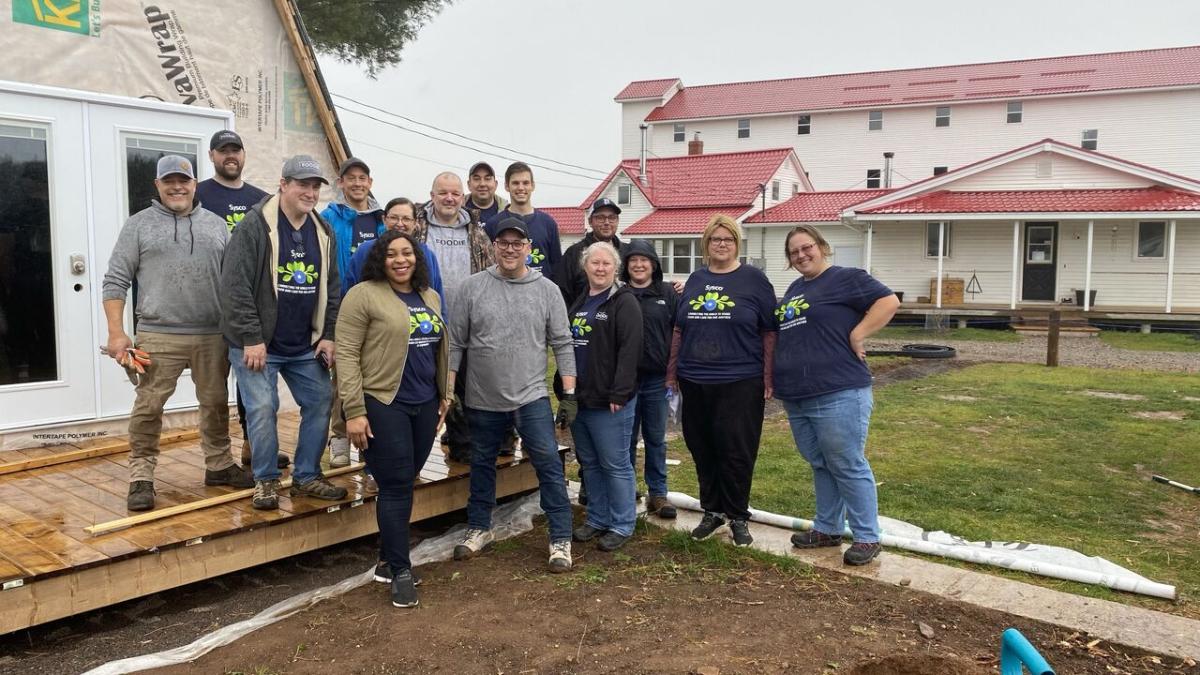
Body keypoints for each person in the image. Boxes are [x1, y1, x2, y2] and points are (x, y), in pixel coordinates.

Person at [102, 155, 253, 511]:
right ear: (157, 185)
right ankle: (141, 476)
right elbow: (115, 279)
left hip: (212, 334)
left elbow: (235, 281)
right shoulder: (138, 226)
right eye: (169, 181)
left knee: (216, 403)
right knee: (150, 405)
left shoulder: (217, 226)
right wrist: (116, 333)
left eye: (183, 180)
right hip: (157, 333)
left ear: (194, 184)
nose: (177, 187)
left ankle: (218, 465)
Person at [448, 217, 576, 572]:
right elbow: (456, 343)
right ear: (492, 246)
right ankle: (479, 528)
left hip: (530, 395)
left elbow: (563, 343)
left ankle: (560, 538)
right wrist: (447, 390)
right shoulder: (470, 288)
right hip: (481, 397)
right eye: (502, 242)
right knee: (481, 463)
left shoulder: (546, 290)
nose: (509, 249)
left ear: (528, 248)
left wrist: (569, 393)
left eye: (517, 243)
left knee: (548, 463)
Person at [220, 154, 347, 510]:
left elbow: (332, 287)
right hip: (259, 342)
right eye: (302, 184)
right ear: (283, 184)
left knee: (321, 400)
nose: (309, 192)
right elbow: (235, 287)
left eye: (314, 186)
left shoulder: (323, 231)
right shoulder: (255, 226)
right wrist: (251, 337)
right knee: (262, 407)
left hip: (303, 343)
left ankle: (306, 476)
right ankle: (265, 481)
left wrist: (329, 334)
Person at [336, 229, 451, 607]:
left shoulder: (429, 296)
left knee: (406, 479)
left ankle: (387, 560)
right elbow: (348, 355)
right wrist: (354, 411)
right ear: (379, 260)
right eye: (392, 254)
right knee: (397, 483)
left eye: (407, 253)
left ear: (417, 259)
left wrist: (444, 395)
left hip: (424, 402)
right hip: (384, 402)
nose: (400, 260)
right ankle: (401, 571)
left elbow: (439, 348)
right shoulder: (362, 295)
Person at [774, 226, 899, 566]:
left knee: (846, 462)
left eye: (806, 247)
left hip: (838, 390)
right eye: (794, 252)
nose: (801, 255)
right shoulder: (796, 288)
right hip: (797, 395)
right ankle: (828, 527)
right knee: (821, 462)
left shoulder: (846, 278)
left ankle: (867, 536)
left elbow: (889, 301)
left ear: (822, 247)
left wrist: (859, 333)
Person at [666, 215, 777, 547]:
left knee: (737, 450)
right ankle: (713, 511)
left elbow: (769, 332)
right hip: (695, 379)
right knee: (703, 448)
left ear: (737, 243)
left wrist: (768, 375)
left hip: (740, 379)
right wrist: (672, 373)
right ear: (706, 244)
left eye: (728, 239)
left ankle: (738, 516)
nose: (722, 244)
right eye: (715, 239)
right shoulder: (696, 279)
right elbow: (679, 330)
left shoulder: (755, 280)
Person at [194, 130, 286, 470]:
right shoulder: (197, 194)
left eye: (236, 150)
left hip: (250, 308)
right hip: (209, 308)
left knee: (254, 383)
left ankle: (254, 445)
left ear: (244, 155)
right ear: (212, 155)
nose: (230, 156)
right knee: (214, 390)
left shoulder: (262, 200)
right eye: (223, 151)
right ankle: (219, 459)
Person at [563, 242, 643, 552]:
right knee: (590, 463)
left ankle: (622, 523)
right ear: (585, 267)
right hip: (582, 397)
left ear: (615, 268)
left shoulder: (624, 302)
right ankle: (597, 518)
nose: (600, 268)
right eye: (594, 263)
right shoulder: (581, 300)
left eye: (606, 264)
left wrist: (620, 391)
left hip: (610, 399)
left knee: (615, 463)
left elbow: (630, 349)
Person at [412, 172, 493, 463]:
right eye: (443, 192)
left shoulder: (476, 231)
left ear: (463, 197)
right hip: (423, 321)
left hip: (468, 322)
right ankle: (416, 451)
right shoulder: (416, 229)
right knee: (427, 384)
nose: (449, 198)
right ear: (432, 195)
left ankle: (463, 448)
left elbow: (490, 272)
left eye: (455, 194)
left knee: (465, 387)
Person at [320, 157, 385, 469]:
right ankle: (339, 438)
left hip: (379, 308)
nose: (357, 183)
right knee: (342, 375)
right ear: (341, 183)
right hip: (344, 305)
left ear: (370, 183)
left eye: (363, 177)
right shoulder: (329, 217)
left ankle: (370, 441)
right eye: (351, 178)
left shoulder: (381, 220)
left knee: (372, 374)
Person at [619, 239, 678, 519]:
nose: (639, 265)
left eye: (645, 260)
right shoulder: (618, 293)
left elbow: (679, 333)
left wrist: (673, 374)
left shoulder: (667, 293)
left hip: (656, 380)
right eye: (633, 260)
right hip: (626, 381)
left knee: (655, 437)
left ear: (654, 264)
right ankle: (627, 490)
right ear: (626, 265)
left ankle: (658, 493)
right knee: (626, 439)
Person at [345, 198, 443, 302]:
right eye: (394, 218)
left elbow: (437, 297)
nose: (400, 224)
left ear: (415, 223)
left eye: (406, 219)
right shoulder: (365, 251)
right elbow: (349, 292)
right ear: (384, 219)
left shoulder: (426, 254)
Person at [484, 162, 562, 280]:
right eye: (515, 183)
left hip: (539, 294)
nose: (521, 188)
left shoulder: (548, 223)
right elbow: (487, 266)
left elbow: (557, 266)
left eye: (525, 183)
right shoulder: (493, 224)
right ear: (507, 186)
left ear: (533, 186)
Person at [556, 197, 623, 304]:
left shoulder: (627, 252)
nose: (606, 222)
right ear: (590, 221)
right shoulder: (574, 253)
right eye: (600, 217)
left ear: (617, 221)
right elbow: (562, 292)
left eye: (612, 217)